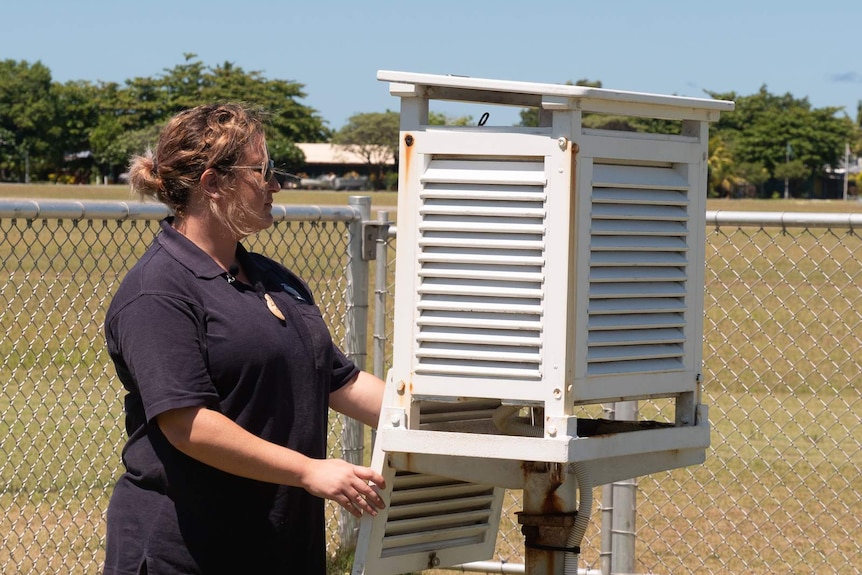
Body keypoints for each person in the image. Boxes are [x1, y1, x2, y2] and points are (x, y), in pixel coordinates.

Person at [102, 103, 386, 574]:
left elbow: (339, 380)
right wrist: (309, 470)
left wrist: (437, 418)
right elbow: (188, 423)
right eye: (264, 170)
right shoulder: (158, 291)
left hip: (278, 545)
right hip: (189, 552)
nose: (277, 184)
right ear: (213, 184)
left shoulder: (273, 279)